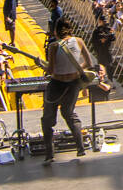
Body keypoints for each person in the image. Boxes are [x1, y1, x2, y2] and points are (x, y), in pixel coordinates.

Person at [39, 16, 103, 164]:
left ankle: (49, 155)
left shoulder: (54, 46)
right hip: (73, 84)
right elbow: (88, 62)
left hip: (57, 84)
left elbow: (50, 70)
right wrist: (76, 69)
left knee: (48, 118)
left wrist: (41, 64)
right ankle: (80, 147)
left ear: (56, 30)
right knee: (69, 113)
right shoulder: (79, 41)